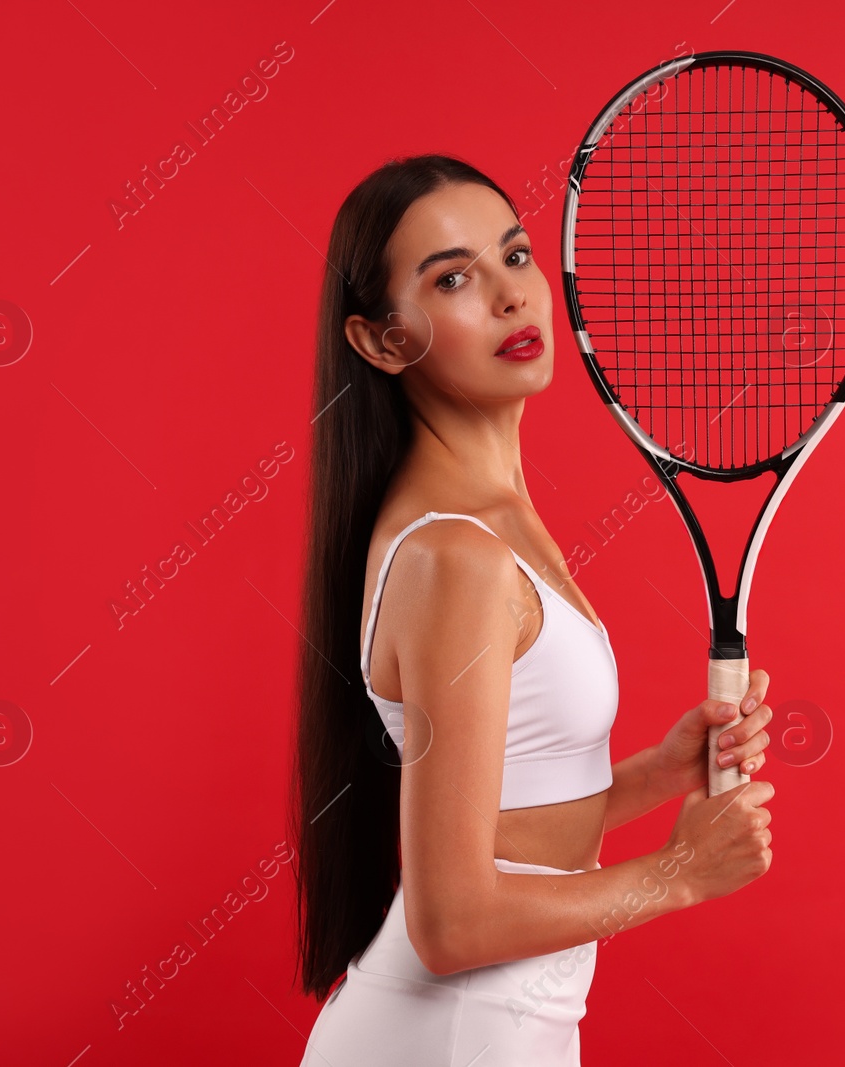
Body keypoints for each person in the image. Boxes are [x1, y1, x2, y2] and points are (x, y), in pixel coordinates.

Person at [291, 153, 777, 1065]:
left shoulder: (494, 521)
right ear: (383, 341)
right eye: (453, 279)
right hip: (453, 1035)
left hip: (507, 1025)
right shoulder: (457, 556)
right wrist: (680, 874)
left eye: (515, 256)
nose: (512, 296)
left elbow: (511, 815)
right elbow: (454, 920)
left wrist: (656, 773)